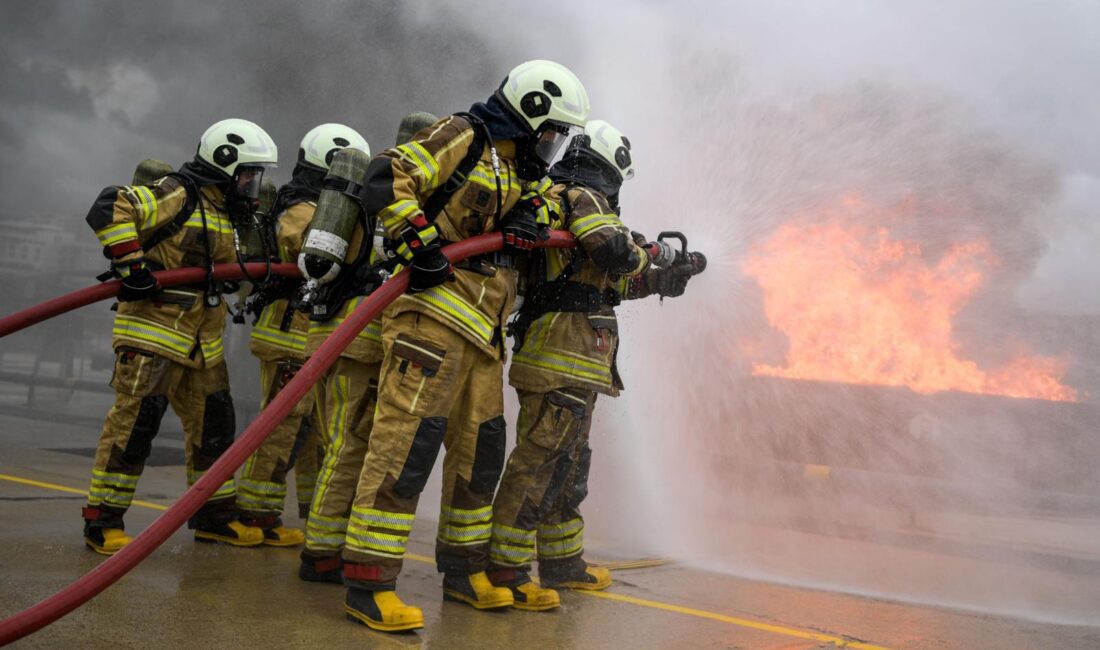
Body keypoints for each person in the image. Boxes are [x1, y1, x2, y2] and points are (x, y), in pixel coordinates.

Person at [320, 60, 590, 633]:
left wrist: (527, 216)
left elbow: (539, 207)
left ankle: (464, 573)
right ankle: (368, 583)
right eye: (553, 132)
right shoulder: (466, 135)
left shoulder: (525, 168)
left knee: (480, 454)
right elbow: (387, 176)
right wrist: (417, 241)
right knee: (404, 446)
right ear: (530, 112)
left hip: (483, 335)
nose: (555, 145)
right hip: (430, 322)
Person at [487, 120, 697, 609]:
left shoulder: (572, 205)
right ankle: (507, 569)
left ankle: (563, 562)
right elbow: (614, 251)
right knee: (538, 461)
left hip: (579, 358)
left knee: (570, 464)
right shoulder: (579, 194)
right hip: (558, 355)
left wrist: (663, 281)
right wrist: (652, 256)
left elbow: (604, 280)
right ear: (612, 165)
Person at [81, 119, 278, 554]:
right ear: (224, 163)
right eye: (247, 173)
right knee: (135, 428)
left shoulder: (226, 210)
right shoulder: (179, 193)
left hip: (201, 345)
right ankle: (103, 519)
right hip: (152, 334)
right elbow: (111, 206)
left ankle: (213, 516)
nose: (252, 183)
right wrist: (132, 266)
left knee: (215, 426)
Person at [299, 112, 438, 584]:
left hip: (354, 336)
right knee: (348, 445)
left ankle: (328, 545)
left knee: (349, 444)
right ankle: (320, 552)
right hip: (356, 337)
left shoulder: (365, 186)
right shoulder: (387, 191)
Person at [238, 124, 370, 546]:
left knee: (315, 430)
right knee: (280, 427)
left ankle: (317, 515)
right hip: (288, 332)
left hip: (311, 332)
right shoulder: (299, 207)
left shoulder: (318, 204)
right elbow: (305, 246)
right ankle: (257, 512)